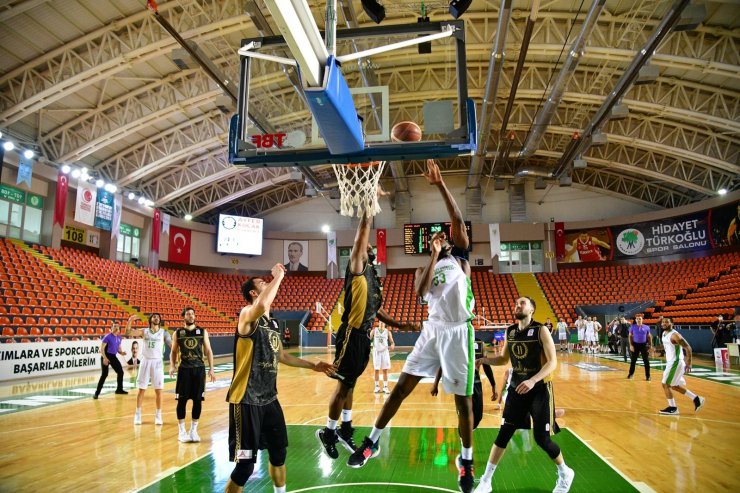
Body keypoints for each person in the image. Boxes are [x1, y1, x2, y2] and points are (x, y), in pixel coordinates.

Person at [347, 159, 477, 493]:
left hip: (459, 332)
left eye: (444, 238)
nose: (442, 238)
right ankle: (371, 442)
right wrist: (433, 255)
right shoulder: (424, 270)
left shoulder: (462, 260)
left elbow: (458, 220)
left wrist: (440, 184)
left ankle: (466, 462)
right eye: (436, 239)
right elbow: (421, 292)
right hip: (432, 331)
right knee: (400, 389)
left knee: (462, 404)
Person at [316, 201, 415, 460]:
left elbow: (377, 310)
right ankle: (328, 432)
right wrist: (369, 209)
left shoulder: (373, 276)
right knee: (342, 386)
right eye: (365, 246)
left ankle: (345, 428)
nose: (367, 247)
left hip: (365, 335)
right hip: (351, 333)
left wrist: (400, 325)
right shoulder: (357, 267)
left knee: (351, 383)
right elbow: (361, 236)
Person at [224, 265, 335, 493]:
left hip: (269, 400)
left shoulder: (273, 324)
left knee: (279, 455)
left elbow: (282, 355)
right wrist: (280, 275)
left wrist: (313, 365)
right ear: (254, 293)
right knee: (245, 467)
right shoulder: (246, 314)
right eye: (262, 284)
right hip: (246, 400)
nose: (268, 284)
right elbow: (262, 305)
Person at [473, 297, 574, 493]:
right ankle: (486, 481)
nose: (517, 305)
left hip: (540, 389)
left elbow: (552, 362)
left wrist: (533, 380)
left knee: (542, 439)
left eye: (522, 303)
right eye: (516, 303)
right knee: (504, 433)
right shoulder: (510, 331)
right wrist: (484, 360)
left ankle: (564, 472)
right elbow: (503, 359)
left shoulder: (541, 330)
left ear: (532, 309)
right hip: (517, 389)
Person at [169, 307, 216, 443]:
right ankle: (181, 431)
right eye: (188, 314)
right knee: (182, 401)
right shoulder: (178, 332)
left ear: (195, 317)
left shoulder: (202, 331)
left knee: (197, 400)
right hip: (184, 370)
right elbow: (173, 351)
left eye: (193, 314)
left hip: (199, 369)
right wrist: (172, 365)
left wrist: (211, 369)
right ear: (183, 316)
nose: (191, 316)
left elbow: (208, 351)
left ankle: (193, 430)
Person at [432, 338, 497, 430]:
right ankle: (464, 439)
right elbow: (443, 364)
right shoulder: (454, 343)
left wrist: (493, 385)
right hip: (461, 385)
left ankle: (466, 436)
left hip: (476, 384)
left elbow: (486, 366)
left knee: (478, 416)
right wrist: (435, 384)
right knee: (464, 415)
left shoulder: (479, 343)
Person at [127, 313, 172, 425]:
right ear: (150, 319)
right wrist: (130, 320)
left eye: (158, 317)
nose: (156, 318)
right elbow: (128, 333)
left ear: (160, 320)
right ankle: (137, 414)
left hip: (157, 362)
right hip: (146, 361)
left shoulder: (163, 333)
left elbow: (172, 345)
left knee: (159, 390)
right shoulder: (144, 331)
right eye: (154, 316)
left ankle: (158, 415)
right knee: (141, 389)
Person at [658, 318, 705, 415]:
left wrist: (689, 362)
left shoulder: (675, 335)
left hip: (676, 362)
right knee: (674, 386)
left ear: (672, 324)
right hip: (671, 362)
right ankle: (696, 399)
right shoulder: (664, 333)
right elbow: (666, 345)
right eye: (663, 322)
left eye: (666, 322)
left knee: (665, 384)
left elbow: (688, 347)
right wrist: (655, 348)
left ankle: (673, 408)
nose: (664, 324)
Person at [93, 316, 136, 399]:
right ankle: (96, 393)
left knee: (120, 372)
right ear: (111, 328)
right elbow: (101, 349)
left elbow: (119, 349)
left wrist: (121, 352)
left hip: (113, 356)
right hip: (106, 355)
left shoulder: (119, 337)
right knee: (104, 374)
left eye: (117, 326)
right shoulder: (107, 337)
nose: (116, 328)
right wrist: (105, 358)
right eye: (114, 326)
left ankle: (119, 389)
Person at [370, 322, 395, 394]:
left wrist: (392, 345)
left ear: (385, 323)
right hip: (376, 352)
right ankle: (377, 387)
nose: (381, 323)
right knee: (376, 370)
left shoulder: (388, 332)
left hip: (385, 352)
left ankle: (385, 387)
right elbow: (368, 339)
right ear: (378, 323)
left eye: (382, 322)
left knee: (385, 370)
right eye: (380, 321)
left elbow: (392, 342)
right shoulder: (374, 330)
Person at [627, 314, 652, 381]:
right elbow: (629, 336)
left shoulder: (646, 327)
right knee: (633, 361)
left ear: (642, 320)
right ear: (635, 320)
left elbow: (649, 336)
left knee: (646, 361)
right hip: (635, 345)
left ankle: (648, 376)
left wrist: (650, 345)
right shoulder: (632, 327)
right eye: (637, 319)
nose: (638, 320)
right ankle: (631, 374)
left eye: (639, 319)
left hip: (643, 345)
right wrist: (631, 345)